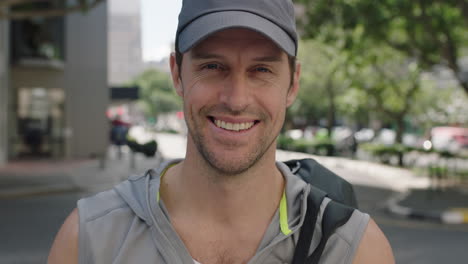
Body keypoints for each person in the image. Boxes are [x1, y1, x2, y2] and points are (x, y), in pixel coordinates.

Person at [48, 0, 395, 263]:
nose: (236, 99)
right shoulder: (89, 240)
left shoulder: (353, 249)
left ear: (293, 84)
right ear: (177, 73)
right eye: (212, 66)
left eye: (261, 69)